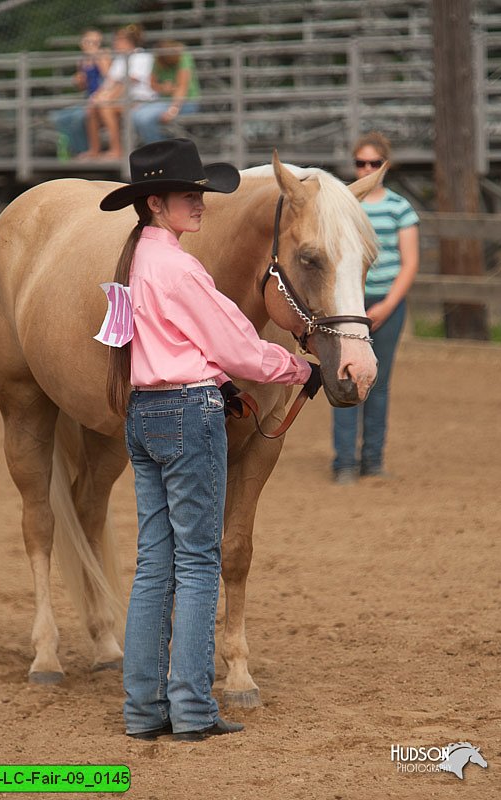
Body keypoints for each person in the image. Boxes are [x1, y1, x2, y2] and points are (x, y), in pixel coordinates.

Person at [98, 138, 321, 742]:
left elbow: (151, 344)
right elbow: (234, 345)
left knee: (154, 565)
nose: (199, 203)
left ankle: (144, 709)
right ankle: (193, 708)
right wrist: (296, 367)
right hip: (187, 414)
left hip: (144, 414)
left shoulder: (136, 262)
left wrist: (220, 380)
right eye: (186, 195)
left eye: (199, 192)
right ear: (153, 204)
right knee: (198, 564)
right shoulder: (180, 267)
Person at [332, 131, 419, 484]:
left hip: (387, 304)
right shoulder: (341, 205)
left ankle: (372, 458)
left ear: (385, 166)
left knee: (378, 384)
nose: (365, 169)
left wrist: (386, 306)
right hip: (348, 307)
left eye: (373, 163)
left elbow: (409, 263)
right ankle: (344, 463)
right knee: (342, 381)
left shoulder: (400, 208)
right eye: (360, 163)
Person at [90, 24, 155, 159]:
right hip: (121, 99)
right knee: (92, 108)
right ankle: (94, 150)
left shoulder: (143, 56)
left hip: (140, 100)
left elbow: (131, 79)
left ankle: (116, 150)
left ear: (129, 41)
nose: (115, 43)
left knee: (106, 107)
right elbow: (110, 81)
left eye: (118, 40)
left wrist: (108, 97)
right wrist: (98, 95)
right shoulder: (119, 59)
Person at [50, 29, 111, 158]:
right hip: (88, 100)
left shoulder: (102, 56)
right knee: (60, 118)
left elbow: (109, 81)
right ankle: (78, 150)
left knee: (78, 118)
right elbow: (83, 88)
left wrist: (98, 59)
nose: (92, 45)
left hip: (102, 101)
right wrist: (79, 81)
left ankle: (87, 151)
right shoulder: (82, 61)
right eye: (89, 42)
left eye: (96, 42)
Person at [132, 40, 200, 144]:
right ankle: (159, 146)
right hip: (163, 101)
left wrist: (172, 110)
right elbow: (152, 84)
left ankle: (159, 150)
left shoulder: (183, 56)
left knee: (145, 119)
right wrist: (163, 88)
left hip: (185, 102)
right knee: (135, 115)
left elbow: (182, 87)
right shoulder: (159, 57)